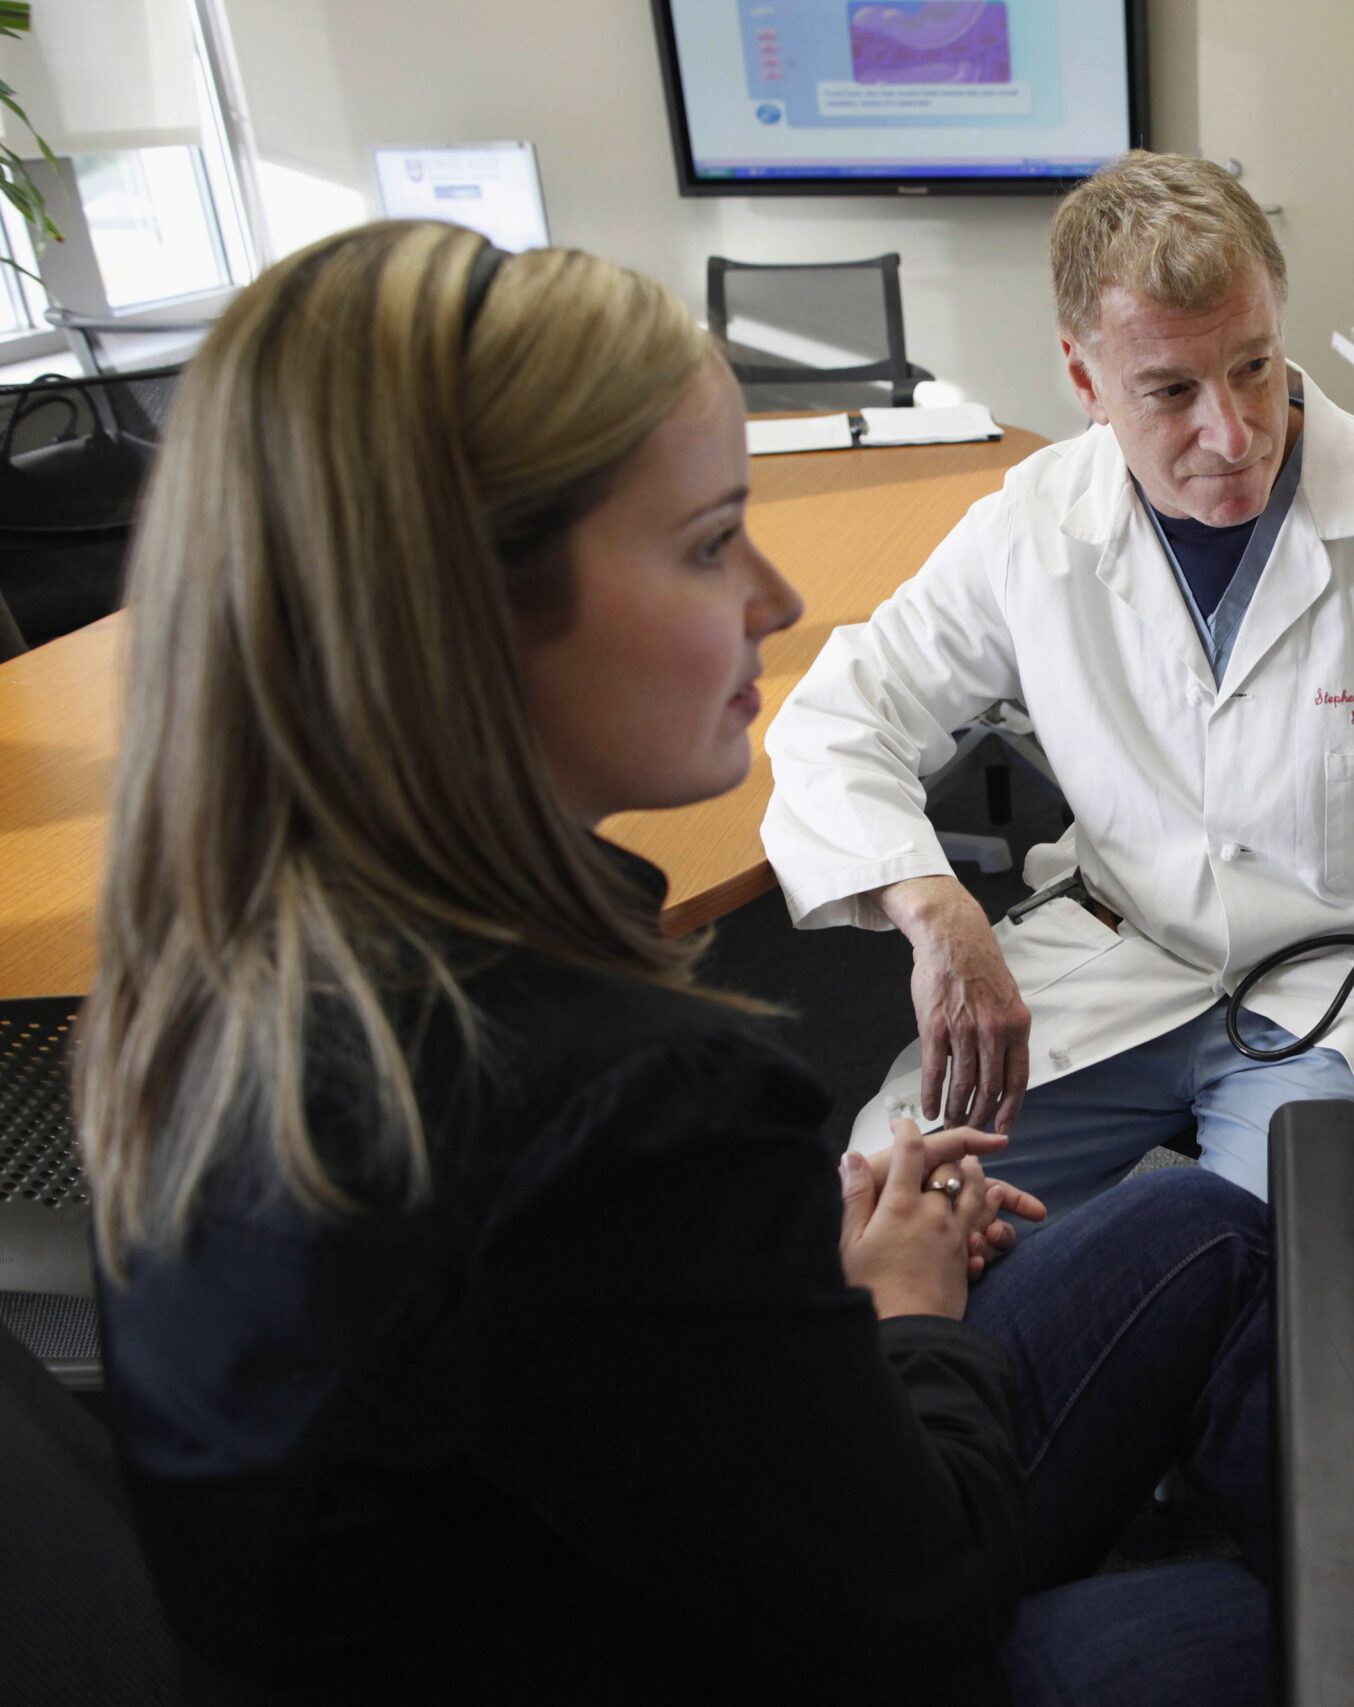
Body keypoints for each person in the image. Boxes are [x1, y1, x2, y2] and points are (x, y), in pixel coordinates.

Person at [78, 220, 1273, 1706]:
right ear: (469, 610)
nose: (772, 601)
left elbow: (601, 1388)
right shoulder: (626, 1102)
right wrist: (898, 1310)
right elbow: (919, 1612)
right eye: (711, 541)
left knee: (1211, 1226)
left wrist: (788, 1287)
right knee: (1284, 1631)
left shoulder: (224, 959)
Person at [764, 151, 1354, 1214]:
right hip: (1129, 960)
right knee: (889, 1205)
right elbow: (839, 720)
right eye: (1169, 391)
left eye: (1253, 367)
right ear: (1084, 382)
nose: (1233, 430)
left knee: (1275, 1269)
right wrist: (936, 909)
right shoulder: (1031, 527)